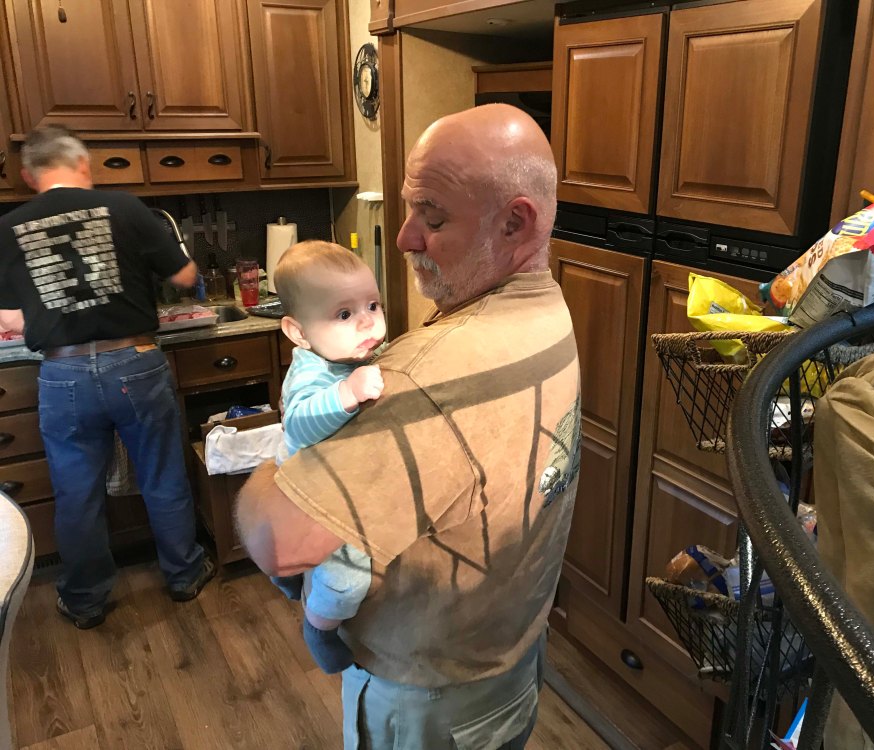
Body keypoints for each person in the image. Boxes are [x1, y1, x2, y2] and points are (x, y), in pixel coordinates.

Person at [236, 102, 581, 749]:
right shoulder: (549, 309)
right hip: (509, 660)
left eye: (433, 217)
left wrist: (270, 462)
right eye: (408, 210)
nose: (403, 238)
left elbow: (279, 541)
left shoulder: (426, 375)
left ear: (516, 223)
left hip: (429, 703)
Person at [0, 126, 215, 630]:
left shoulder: (8, 227)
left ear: (29, 175)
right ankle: (184, 575)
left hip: (63, 372)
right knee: (162, 475)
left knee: (77, 493)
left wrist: (47, 315)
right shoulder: (125, 207)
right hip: (134, 361)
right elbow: (185, 277)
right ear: (83, 164)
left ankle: (85, 600)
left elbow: (9, 317)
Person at [270, 240, 387, 673]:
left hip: (334, 480)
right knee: (349, 576)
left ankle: (285, 571)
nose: (367, 322)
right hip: (315, 490)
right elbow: (298, 424)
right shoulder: (312, 371)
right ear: (298, 332)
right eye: (343, 314)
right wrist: (346, 393)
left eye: (372, 305)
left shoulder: (353, 354)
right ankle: (319, 627)